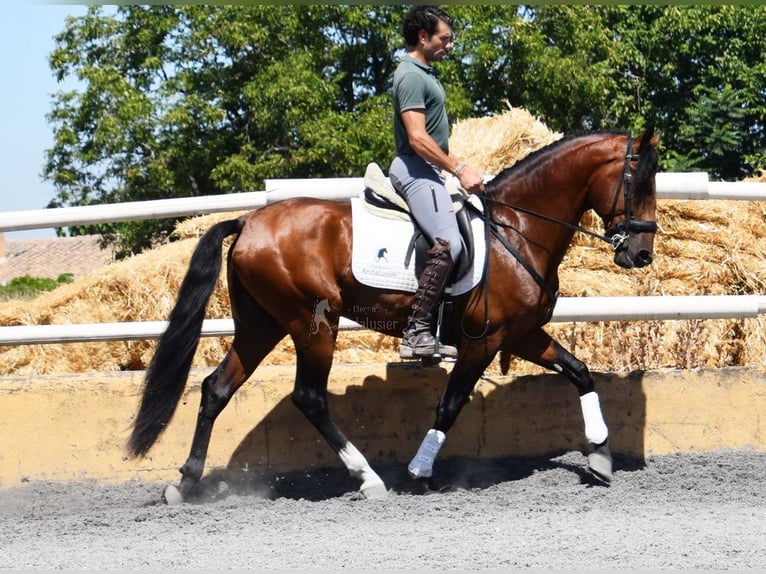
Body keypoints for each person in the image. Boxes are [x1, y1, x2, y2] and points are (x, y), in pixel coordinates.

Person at [389, 5, 485, 359]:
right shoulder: (411, 75)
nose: (449, 45)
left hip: (430, 170)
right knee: (450, 244)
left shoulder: (425, 73)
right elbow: (417, 138)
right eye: (444, 38)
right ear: (423, 36)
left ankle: (447, 329)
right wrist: (459, 168)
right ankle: (416, 333)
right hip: (415, 168)